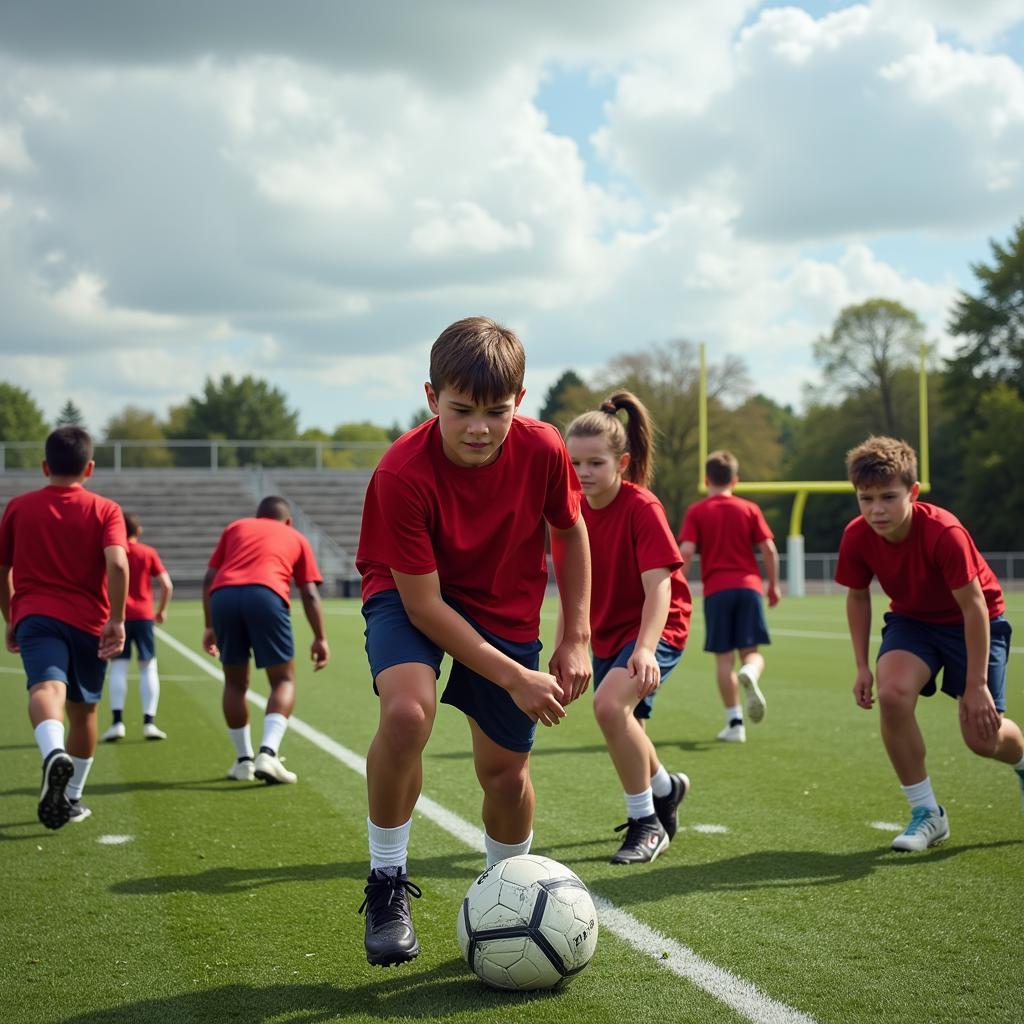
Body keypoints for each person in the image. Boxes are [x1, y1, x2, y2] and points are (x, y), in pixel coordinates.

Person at [355, 316, 592, 967]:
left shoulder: (543, 449)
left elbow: (569, 533)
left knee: (505, 775)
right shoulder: (401, 473)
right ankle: (386, 883)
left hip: (503, 598)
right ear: (431, 398)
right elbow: (425, 606)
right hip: (410, 596)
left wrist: (576, 635)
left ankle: (508, 889)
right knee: (407, 712)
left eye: (497, 410)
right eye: (461, 410)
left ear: (521, 400)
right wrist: (514, 677)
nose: (480, 428)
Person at [836, 435, 1024, 852]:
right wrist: (862, 665)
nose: (877, 509)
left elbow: (975, 608)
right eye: (866, 499)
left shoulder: (944, 532)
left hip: (973, 621)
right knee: (892, 694)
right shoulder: (857, 535)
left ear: (913, 492)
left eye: (888, 496)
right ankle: (928, 813)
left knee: (982, 740)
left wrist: (975, 686)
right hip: (913, 621)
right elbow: (858, 595)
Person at [562, 391, 692, 865]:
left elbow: (660, 588)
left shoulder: (642, 507)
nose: (583, 473)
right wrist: (566, 645)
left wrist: (645, 650)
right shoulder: (570, 510)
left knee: (609, 707)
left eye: (595, 462)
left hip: (657, 630)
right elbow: (571, 585)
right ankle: (667, 788)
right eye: (574, 463)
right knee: (626, 722)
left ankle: (647, 822)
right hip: (608, 631)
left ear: (623, 461)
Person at [0, 426, 128, 828]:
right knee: (85, 711)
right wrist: (118, 620)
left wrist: (11, 617)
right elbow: (119, 562)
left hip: (35, 616)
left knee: (46, 688)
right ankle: (71, 798)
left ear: (44, 466)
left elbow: (3, 568)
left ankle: (52, 751)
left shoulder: (19, 507)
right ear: (89, 468)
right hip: (89, 620)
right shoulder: (105, 509)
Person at [201, 496, 329, 785]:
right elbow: (308, 593)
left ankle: (243, 761)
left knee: (234, 682)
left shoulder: (236, 527)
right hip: (266, 594)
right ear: (288, 521)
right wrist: (320, 638)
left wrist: (210, 625)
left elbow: (209, 578)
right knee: (283, 680)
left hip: (223, 595)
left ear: (257, 516)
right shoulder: (295, 536)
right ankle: (268, 753)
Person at [678, 451, 780, 742]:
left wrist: (677, 586)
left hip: (717, 591)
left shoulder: (697, 511)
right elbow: (769, 550)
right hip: (749, 589)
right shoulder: (749, 508)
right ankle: (750, 671)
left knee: (724, 660)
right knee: (752, 654)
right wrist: (773, 585)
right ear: (735, 480)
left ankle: (735, 723)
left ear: (706, 479)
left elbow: (685, 551)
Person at [102, 513, 173, 742]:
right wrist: (161, 610)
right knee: (148, 667)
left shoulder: (113, 553)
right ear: (138, 530)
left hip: (118, 615)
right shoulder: (147, 552)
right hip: (143, 616)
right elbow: (166, 584)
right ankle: (149, 722)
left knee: (119, 667)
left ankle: (117, 722)